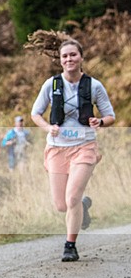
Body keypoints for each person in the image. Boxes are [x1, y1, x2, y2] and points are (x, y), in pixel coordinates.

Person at [30, 38, 115, 262]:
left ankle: (70, 245)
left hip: (84, 146)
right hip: (57, 148)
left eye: (73, 55)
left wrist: (101, 122)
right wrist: (49, 127)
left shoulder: (94, 86)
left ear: (81, 57)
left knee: (72, 198)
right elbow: (35, 114)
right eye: (65, 56)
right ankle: (83, 206)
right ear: (60, 60)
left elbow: (110, 115)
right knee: (61, 205)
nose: (69, 59)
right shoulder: (52, 84)